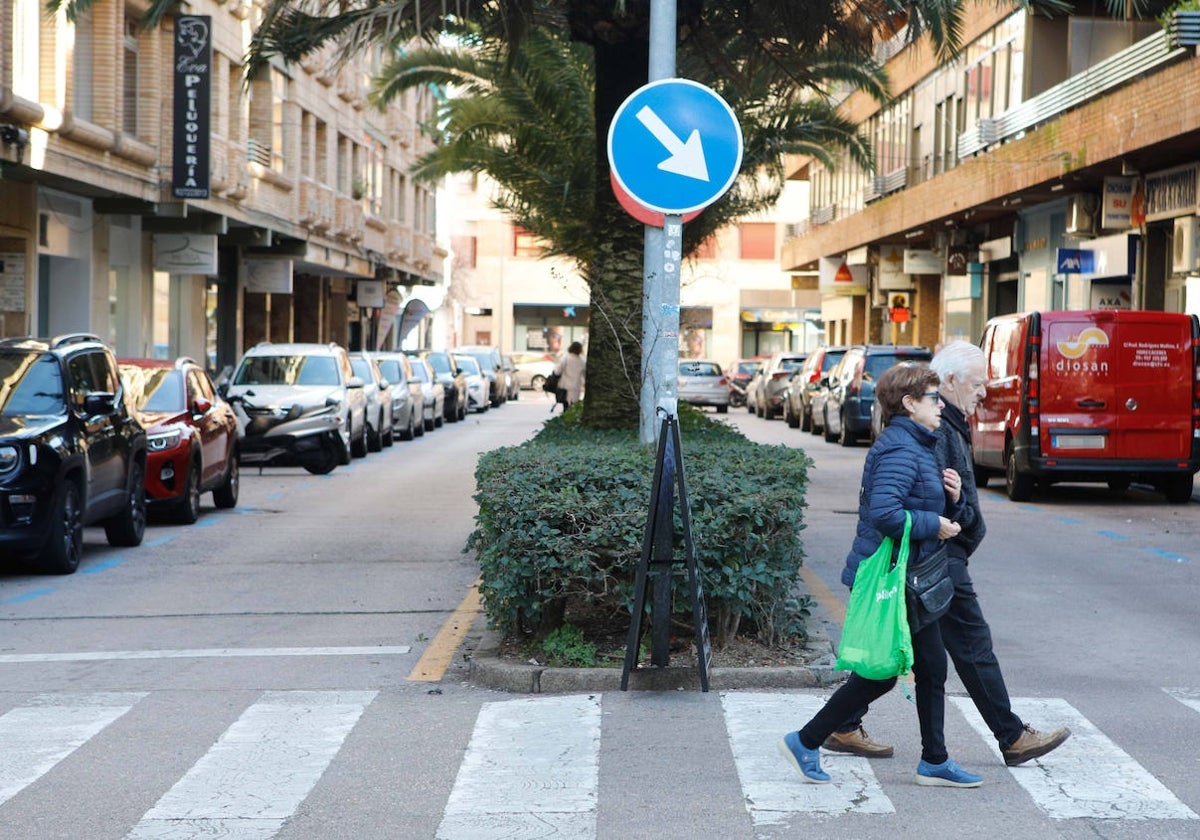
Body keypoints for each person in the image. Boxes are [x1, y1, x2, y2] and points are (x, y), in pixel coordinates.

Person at [823, 341, 1071, 768]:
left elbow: (940, 493)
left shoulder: (946, 424)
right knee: (964, 648)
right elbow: (905, 503)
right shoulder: (930, 431)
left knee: (914, 658)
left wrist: (957, 511)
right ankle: (1006, 738)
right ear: (948, 383)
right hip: (936, 557)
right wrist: (950, 524)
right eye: (977, 384)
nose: (983, 393)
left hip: (938, 553)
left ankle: (841, 725)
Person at [779, 362, 982, 787]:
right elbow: (886, 514)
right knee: (886, 671)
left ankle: (933, 760)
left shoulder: (920, 445)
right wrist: (934, 524)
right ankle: (807, 739)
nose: (940, 406)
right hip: (895, 578)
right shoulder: (899, 449)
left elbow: (928, 508)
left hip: (913, 576)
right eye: (932, 398)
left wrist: (955, 498)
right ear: (909, 404)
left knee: (928, 667)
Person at [553, 340, 586, 408]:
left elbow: (557, 371)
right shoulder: (582, 362)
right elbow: (584, 376)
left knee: (566, 407)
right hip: (576, 388)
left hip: (565, 388)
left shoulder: (565, 359)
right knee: (573, 408)